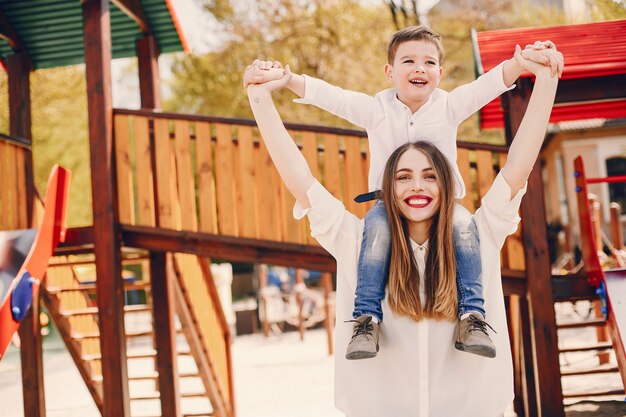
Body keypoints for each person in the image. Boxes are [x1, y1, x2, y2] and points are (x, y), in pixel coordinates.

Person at [244, 43, 561, 416]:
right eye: (403, 177)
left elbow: (519, 164)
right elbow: (300, 178)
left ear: (446, 183)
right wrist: (260, 98)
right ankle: (367, 320)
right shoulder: (358, 244)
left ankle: (471, 320)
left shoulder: (478, 236)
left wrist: (545, 80)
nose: (416, 187)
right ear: (388, 187)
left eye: (429, 176)